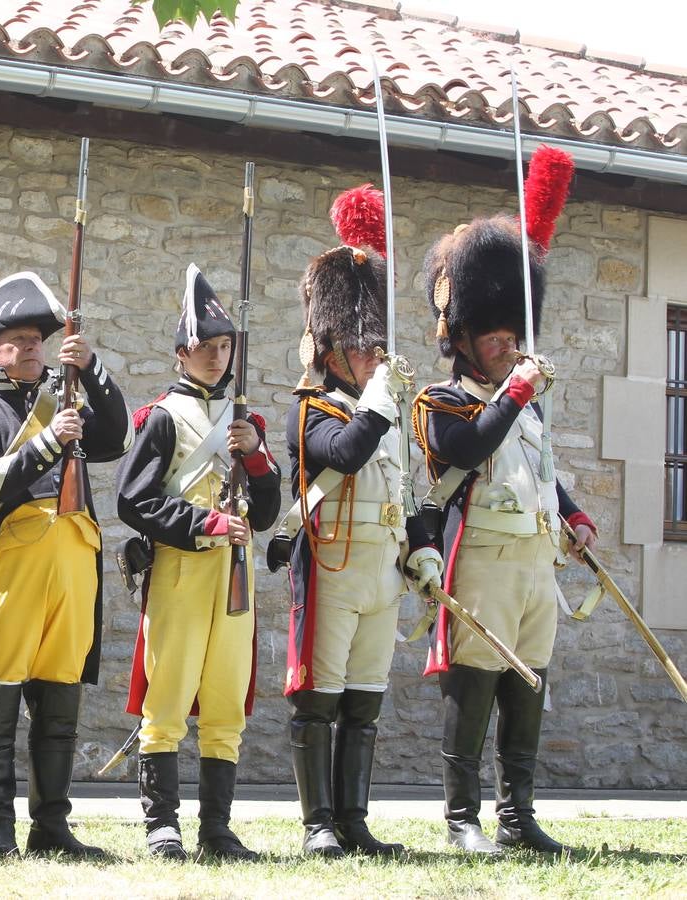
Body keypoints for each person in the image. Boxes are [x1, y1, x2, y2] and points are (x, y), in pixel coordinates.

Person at [413, 146, 595, 855]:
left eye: (511, 330)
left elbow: (541, 471)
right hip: (480, 555)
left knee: (529, 687)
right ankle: (462, 820)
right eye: (492, 331)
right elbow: (469, 451)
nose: (506, 341)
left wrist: (573, 516)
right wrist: (518, 391)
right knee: (477, 684)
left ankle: (517, 816)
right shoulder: (443, 401)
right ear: (460, 335)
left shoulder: (526, 405)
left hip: (533, 560)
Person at [0, 271, 131, 858]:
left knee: (59, 700)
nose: (31, 348)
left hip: (75, 559)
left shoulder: (66, 397)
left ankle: (51, 826)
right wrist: (49, 442)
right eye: (16, 341)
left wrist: (93, 368)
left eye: (36, 340)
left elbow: (117, 438)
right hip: (15, 564)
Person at [279, 186, 440, 858]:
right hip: (333, 565)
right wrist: (377, 405)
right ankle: (318, 823)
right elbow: (341, 459)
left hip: (381, 568)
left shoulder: (388, 411)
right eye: (361, 346)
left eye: (378, 347)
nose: (375, 357)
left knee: (365, 700)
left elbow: (407, 488)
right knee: (320, 697)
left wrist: (424, 552)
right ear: (330, 348)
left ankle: (354, 818)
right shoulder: (315, 409)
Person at [116, 264, 281, 861]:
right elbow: (133, 499)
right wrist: (203, 523)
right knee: (168, 698)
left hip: (235, 576)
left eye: (223, 346)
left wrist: (258, 458)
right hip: (184, 569)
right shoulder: (163, 417)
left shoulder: (246, 422)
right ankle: (163, 826)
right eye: (204, 348)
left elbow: (266, 513)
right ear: (181, 353)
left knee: (225, 699)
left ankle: (217, 829)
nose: (216, 357)